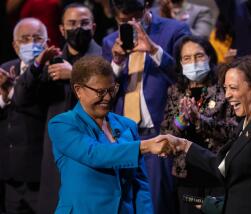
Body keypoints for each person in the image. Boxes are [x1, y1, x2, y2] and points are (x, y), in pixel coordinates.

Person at [158, 54, 251, 214]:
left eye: (234, 88)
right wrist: (183, 145)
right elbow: (222, 167)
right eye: (225, 88)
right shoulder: (245, 123)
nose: (227, 95)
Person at [48, 55, 172, 213]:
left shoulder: (127, 125)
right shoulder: (62, 124)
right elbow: (95, 154)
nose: (107, 97)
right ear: (79, 90)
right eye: (100, 92)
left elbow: (140, 185)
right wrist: (145, 146)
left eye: (111, 90)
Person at [103, 0, 190, 213]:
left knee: (157, 203)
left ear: (147, 6)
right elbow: (105, 93)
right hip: (123, 136)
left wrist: (153, 50)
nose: (132, 22)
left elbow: (185, 77)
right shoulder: (110, 42)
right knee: (125, 201)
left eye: (136, 16)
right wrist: (116, 62)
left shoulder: (174, 30)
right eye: (124, 19)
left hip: (160, 132)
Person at [23, 3, 102, 213]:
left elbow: (107, 94)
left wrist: (74, 73)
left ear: (93, 27)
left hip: (91, 148)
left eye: (84, 23)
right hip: (56, 154)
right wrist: (37, 65)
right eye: (72, 23)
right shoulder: (52, 61)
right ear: (61, 29)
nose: (78, 28)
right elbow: (23, 99)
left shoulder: (105, 58)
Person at [160, 35, 237, 213]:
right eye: (187, 58)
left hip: (217, 172)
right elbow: (166, 133)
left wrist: (199, 120)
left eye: (199, 56)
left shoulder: (224, 87)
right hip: (187, 176)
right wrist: (182, 121)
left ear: (209, 56)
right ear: (180, 63)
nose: (193, 62)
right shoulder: (175, 91)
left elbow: (233, 131)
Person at [0, 18, 48, 213]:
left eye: (37, 38)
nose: (32, 44)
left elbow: (41, 109)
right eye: (25, 39)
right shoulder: (5, 68)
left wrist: (12, 93)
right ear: (14, 45)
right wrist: (3, 97)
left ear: (47, 42)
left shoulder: (53, 70)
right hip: (10, 173)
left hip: (40, 171)